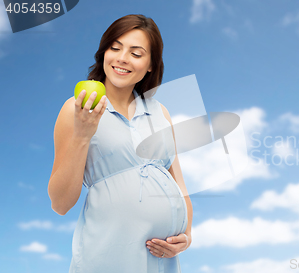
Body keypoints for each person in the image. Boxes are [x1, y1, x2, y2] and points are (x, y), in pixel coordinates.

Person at [47, 14, 193, 272]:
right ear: (104, 53)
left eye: (136, 53)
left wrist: (186, 235)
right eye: (115, 48)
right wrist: (83, 134)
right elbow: (60, 204)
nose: (122, 58)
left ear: (150, 65)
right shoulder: (78, 108)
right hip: (107, 257)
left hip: (161, 261)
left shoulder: (161, 112)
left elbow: (179, 186)